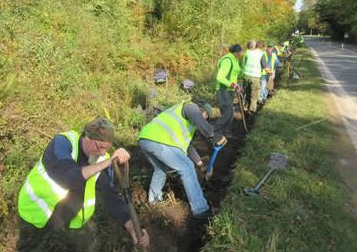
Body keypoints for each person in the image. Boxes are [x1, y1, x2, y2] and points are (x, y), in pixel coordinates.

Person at [16, 118, 149, 251]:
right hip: (37, 216)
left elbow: (111, 196)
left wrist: (131, 225)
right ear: (87, 136)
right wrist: (108, 163)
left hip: (69, 219)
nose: (103, 153)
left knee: (89, 244)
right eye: (99, 147)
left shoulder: (102, 158)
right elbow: (68, 178)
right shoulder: (62, 143)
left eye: (106, 149)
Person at [138, 101, 225, 218]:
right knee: (187, 167)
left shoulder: (187, 123)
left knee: (160, 169)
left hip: (146, 139)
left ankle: (154, 201)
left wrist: (200, 164)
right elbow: (196, 115)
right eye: (205, 118)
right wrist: (212, 135)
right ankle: (200, 209)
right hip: (160, 140)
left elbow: (187, 147)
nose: (204, 121)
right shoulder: (191, 107)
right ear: (203, 112)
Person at [215, 44, 244, 138]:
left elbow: (233, 76)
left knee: (230, 112)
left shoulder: (235, 60)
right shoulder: (227, 60)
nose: (242, 54)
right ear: (236, 52)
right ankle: (215, 132)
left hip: (230, 90)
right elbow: (220, 77)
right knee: (227, 112)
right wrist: (232, 85)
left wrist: (237, 86)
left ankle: (227, 132)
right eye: (241, 52)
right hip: (223, 90)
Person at [242, 40, 266, 113]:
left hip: (246, 76)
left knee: (246, 93)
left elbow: (243, 64)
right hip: (255, 77)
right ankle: (251, 112)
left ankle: (245, 107)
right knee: (254, 96)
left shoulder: (247, 52)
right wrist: (270, 72)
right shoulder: (261, 54)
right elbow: (264, 66)